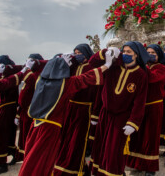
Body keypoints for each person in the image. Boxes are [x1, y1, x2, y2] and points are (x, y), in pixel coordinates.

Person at [18, 53, 111, 176]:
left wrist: (59, 62)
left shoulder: (41, 81)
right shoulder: (64, 84)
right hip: (50, 129)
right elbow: (86, 77)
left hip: (35, 125)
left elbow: (44, 66)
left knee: (32, 156)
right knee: (43, 160)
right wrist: (107, 65)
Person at [90, 42, 149, 176]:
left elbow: (140, 101)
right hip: (105, 115)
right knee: (100, 147)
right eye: (124, 51)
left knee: (114, 151)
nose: (125, 54)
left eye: (129, 52)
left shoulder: (141, 74)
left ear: (136, 54)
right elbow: (92, 63)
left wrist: (133, 122)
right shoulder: (114, 66)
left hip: (122, 119)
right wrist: (105, 52)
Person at [53, 44, 98, 176]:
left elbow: (96, 92)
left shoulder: (91, 67)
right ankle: (76, 166)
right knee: (66, 138)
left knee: (78, 140)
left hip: (84, 108)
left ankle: (76, 168)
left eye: (80, 52)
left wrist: (95, 114)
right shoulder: (74, 67)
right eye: (75, 52)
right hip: (70, 107)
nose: (77, 54)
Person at [126, 44, 165, 176]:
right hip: (141, 106)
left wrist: (142, 64)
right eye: (147, 52)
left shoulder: (161, 68)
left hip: (154, 106)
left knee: (151, 137)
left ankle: (150, 167)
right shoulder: (145, 68)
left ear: (158, 54)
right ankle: (138, 163)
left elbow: (152, 78)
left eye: (153, 52)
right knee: (138, 136)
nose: (150, 55)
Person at [13, 54, 46, 163]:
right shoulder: (31, 75)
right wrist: (18, 112)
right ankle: (20, 156)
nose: (28, 63)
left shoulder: (37, 75)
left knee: (28, 136)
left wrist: (26, 70)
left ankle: (29, 158)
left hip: (32, 111)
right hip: (24, 110)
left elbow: (32, 82)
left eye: (31, 60)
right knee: (22, 136)